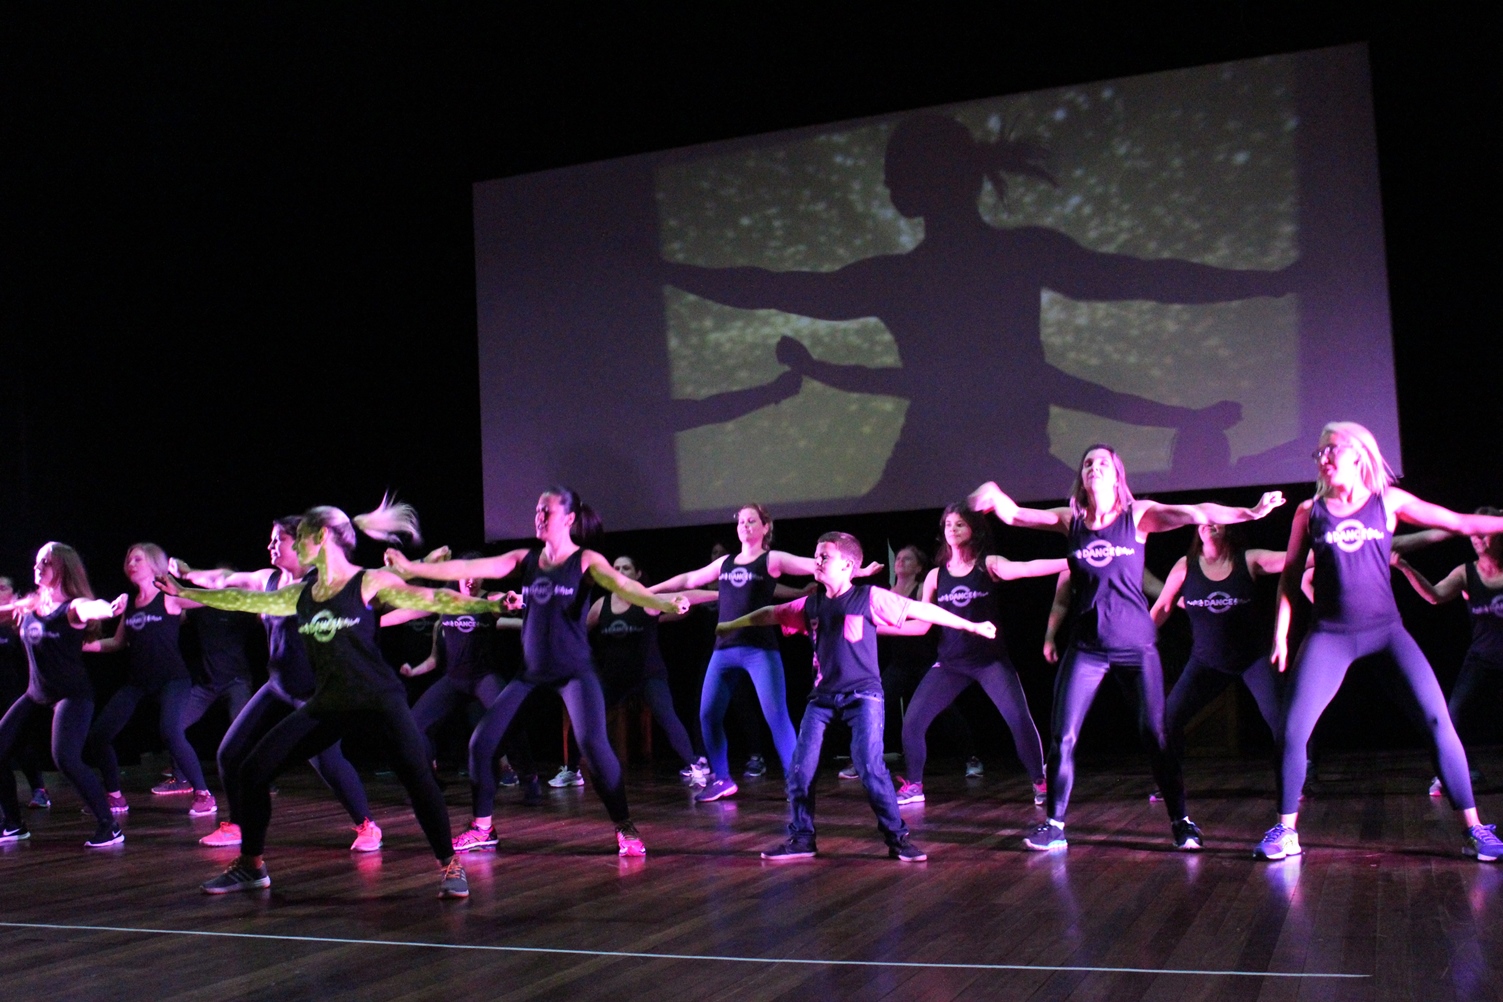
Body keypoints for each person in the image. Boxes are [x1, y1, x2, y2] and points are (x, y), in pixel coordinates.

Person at [160, 499, 490, 898]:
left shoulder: (369, 582)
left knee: (419, 780)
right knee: (251, 770)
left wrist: (486, 605)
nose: (293, 544)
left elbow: (434, 600)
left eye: (298, 537)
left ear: (321, 538)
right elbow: (242, 599)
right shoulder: (301, 594)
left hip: (379, 700)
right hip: (329, 701)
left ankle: (450, 864)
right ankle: (251, 865)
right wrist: (185, 590)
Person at [970, 446, 1285, 852]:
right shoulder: (1071, 522)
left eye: (1103, 463)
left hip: (1136, 647)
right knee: (1062, 736)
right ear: (1082, 478)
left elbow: (1198, 511)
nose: (1095, 467)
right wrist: (991, 492)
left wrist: (1251, 513)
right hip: (1087, 647)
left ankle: (1181, 821)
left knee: (1155, 733)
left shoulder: (1137, 517)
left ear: (1117, 476)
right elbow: (1012, 513)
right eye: (1088, 463)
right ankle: (1053, 824)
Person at [385, 488, 690, 857]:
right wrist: (413, 568)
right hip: (531, 673)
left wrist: (662, 602)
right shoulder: (525, 559)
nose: (539, 515)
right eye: (537, 509)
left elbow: (624, 587)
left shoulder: (585, 561)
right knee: (481, 744)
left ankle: (624, 825)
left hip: (575, 672)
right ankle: (483, 827)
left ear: (569, 519)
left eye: (547, 510)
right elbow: (467, 569)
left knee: (594, 748)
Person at [1257, 423, 1503, 862]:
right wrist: (1281, 631)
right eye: (1319, 453)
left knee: (1437, 721)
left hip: (1387, 633)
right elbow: (1292, 575)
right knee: (1292, 731)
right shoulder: (1307, 512)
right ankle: (1285, 830)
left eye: (1331, 449)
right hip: (1330, 636)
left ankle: (1475, 829)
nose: (1324, 458)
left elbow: (1461, 522)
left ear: (1358, 454)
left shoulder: (1388, 502)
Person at [720, 531, 994, 862]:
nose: (817, 562)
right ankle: (802, 839)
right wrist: (732, 623)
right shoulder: (812, 604)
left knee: (869, 765)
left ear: (848, 565)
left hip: (863, 696)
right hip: (821, 699)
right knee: (800, 770)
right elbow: (771, 613)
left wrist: (974, 626)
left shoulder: (870, 598)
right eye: (816, 555)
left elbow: (924, 611)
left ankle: (898, 839)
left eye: (825, 557)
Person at [175, 517, 382, 852]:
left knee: (327, 761)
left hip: (315, 691)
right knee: (229, 753)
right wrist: (188, 574)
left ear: (301, 543)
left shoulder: (324, 583)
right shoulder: (267, 579)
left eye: (278, 540)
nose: (271, 546)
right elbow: (223, 579)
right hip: (278, 686)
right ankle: (238, 824)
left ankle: (367, 825)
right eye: (270, 541)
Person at [650, 504, 877, 802]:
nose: (744, 525)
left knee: (776, 716)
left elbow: (818, 564)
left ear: (765, 527)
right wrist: (645, 590)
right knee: (708, 715)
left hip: (759, 651)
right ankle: (722, 779)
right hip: (724, 651)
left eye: (751, 521)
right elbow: (688, 580)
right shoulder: (725, 563)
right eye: (741, 521)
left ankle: (798, 781)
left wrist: (857, 570)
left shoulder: (772, 559)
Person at [889, 505, 1065, 807]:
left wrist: (1070, 561)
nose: (952, 529)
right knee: (913, 722)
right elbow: (921, 626)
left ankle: (1040, 781)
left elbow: (1025, 568)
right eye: (948, 524)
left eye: (960, 524)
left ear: (974, 530)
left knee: (1019, 721)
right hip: (950, 664)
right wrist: (876, 629)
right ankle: (915, 785)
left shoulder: (989, 565)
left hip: (990, 663)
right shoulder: (934, 576)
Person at [0, 544, 124, 847]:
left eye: (46, 562)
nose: (38, 567)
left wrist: (108, 609)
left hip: (72, 693)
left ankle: (110, 827)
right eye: (37, 562)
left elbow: (91, 607)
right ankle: (14, 825)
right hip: (36, 693)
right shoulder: (30, 605)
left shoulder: (72, 607)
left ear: (63, 568)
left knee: (65, 757)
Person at [1149, 523, 1286, 795]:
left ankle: (1300, 774)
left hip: (1252, 660)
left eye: (1216, 519)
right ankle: (1169, 781)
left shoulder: (1248, 559)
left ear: (1229, 528)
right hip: (1206, 662)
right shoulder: (1186, 565)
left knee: (1283, 720)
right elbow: (1163, 606)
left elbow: (1294, 559)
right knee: (1170, 717)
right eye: (1203, 519)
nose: (1208, 523)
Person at [399, 553, 543, 806]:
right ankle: (429, 780)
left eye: (477, 575)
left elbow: (506, 602)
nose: (471, 581)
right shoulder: (447, 602)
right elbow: (423, 636)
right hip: (454, 679)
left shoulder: (488, 598)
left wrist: (513, 601)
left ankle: (529, 776)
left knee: (510, 721)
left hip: (483, 678)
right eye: (465, 575)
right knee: (413, 725)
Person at [85, 544, 217, 817]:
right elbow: (117, 642)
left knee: (170, 731)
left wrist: (186, 580)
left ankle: (204, 794)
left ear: (155, 565)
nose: (131, 563)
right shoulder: (129, 604)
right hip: (138, 682)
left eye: (138, 559)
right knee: (99, 735)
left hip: (172, 679)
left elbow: (213, 598)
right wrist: (85, 645)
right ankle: (115, 797)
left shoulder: (169, 598)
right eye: (128, 558)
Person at [555, 555, 706, 785]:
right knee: (585, 716)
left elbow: (688, 596)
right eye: (616, 568)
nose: (620, 571)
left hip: (648, 675)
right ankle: (572, 771)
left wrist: (719, 594)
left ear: (637, 574)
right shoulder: (601, 605)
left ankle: (694, 766)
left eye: (626, 567)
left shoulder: (647, 600)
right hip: (614, 678)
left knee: (666, 716)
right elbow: (577, 633)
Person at [1392, 511, 1503, 797]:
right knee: (1452, 716)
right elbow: (1435, 596)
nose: (1477, 538)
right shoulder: (1466, 572)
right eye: (1474, 533)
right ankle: (1462, 771)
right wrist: (1404, 567)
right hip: (1481, 658)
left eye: (1484, 532)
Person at [0, 576, 49, 809]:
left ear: (12, 593)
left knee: (21, 744)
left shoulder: (21, 622)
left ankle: (39, 790)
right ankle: (9, 809)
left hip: (16, 692)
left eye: (2, 588)